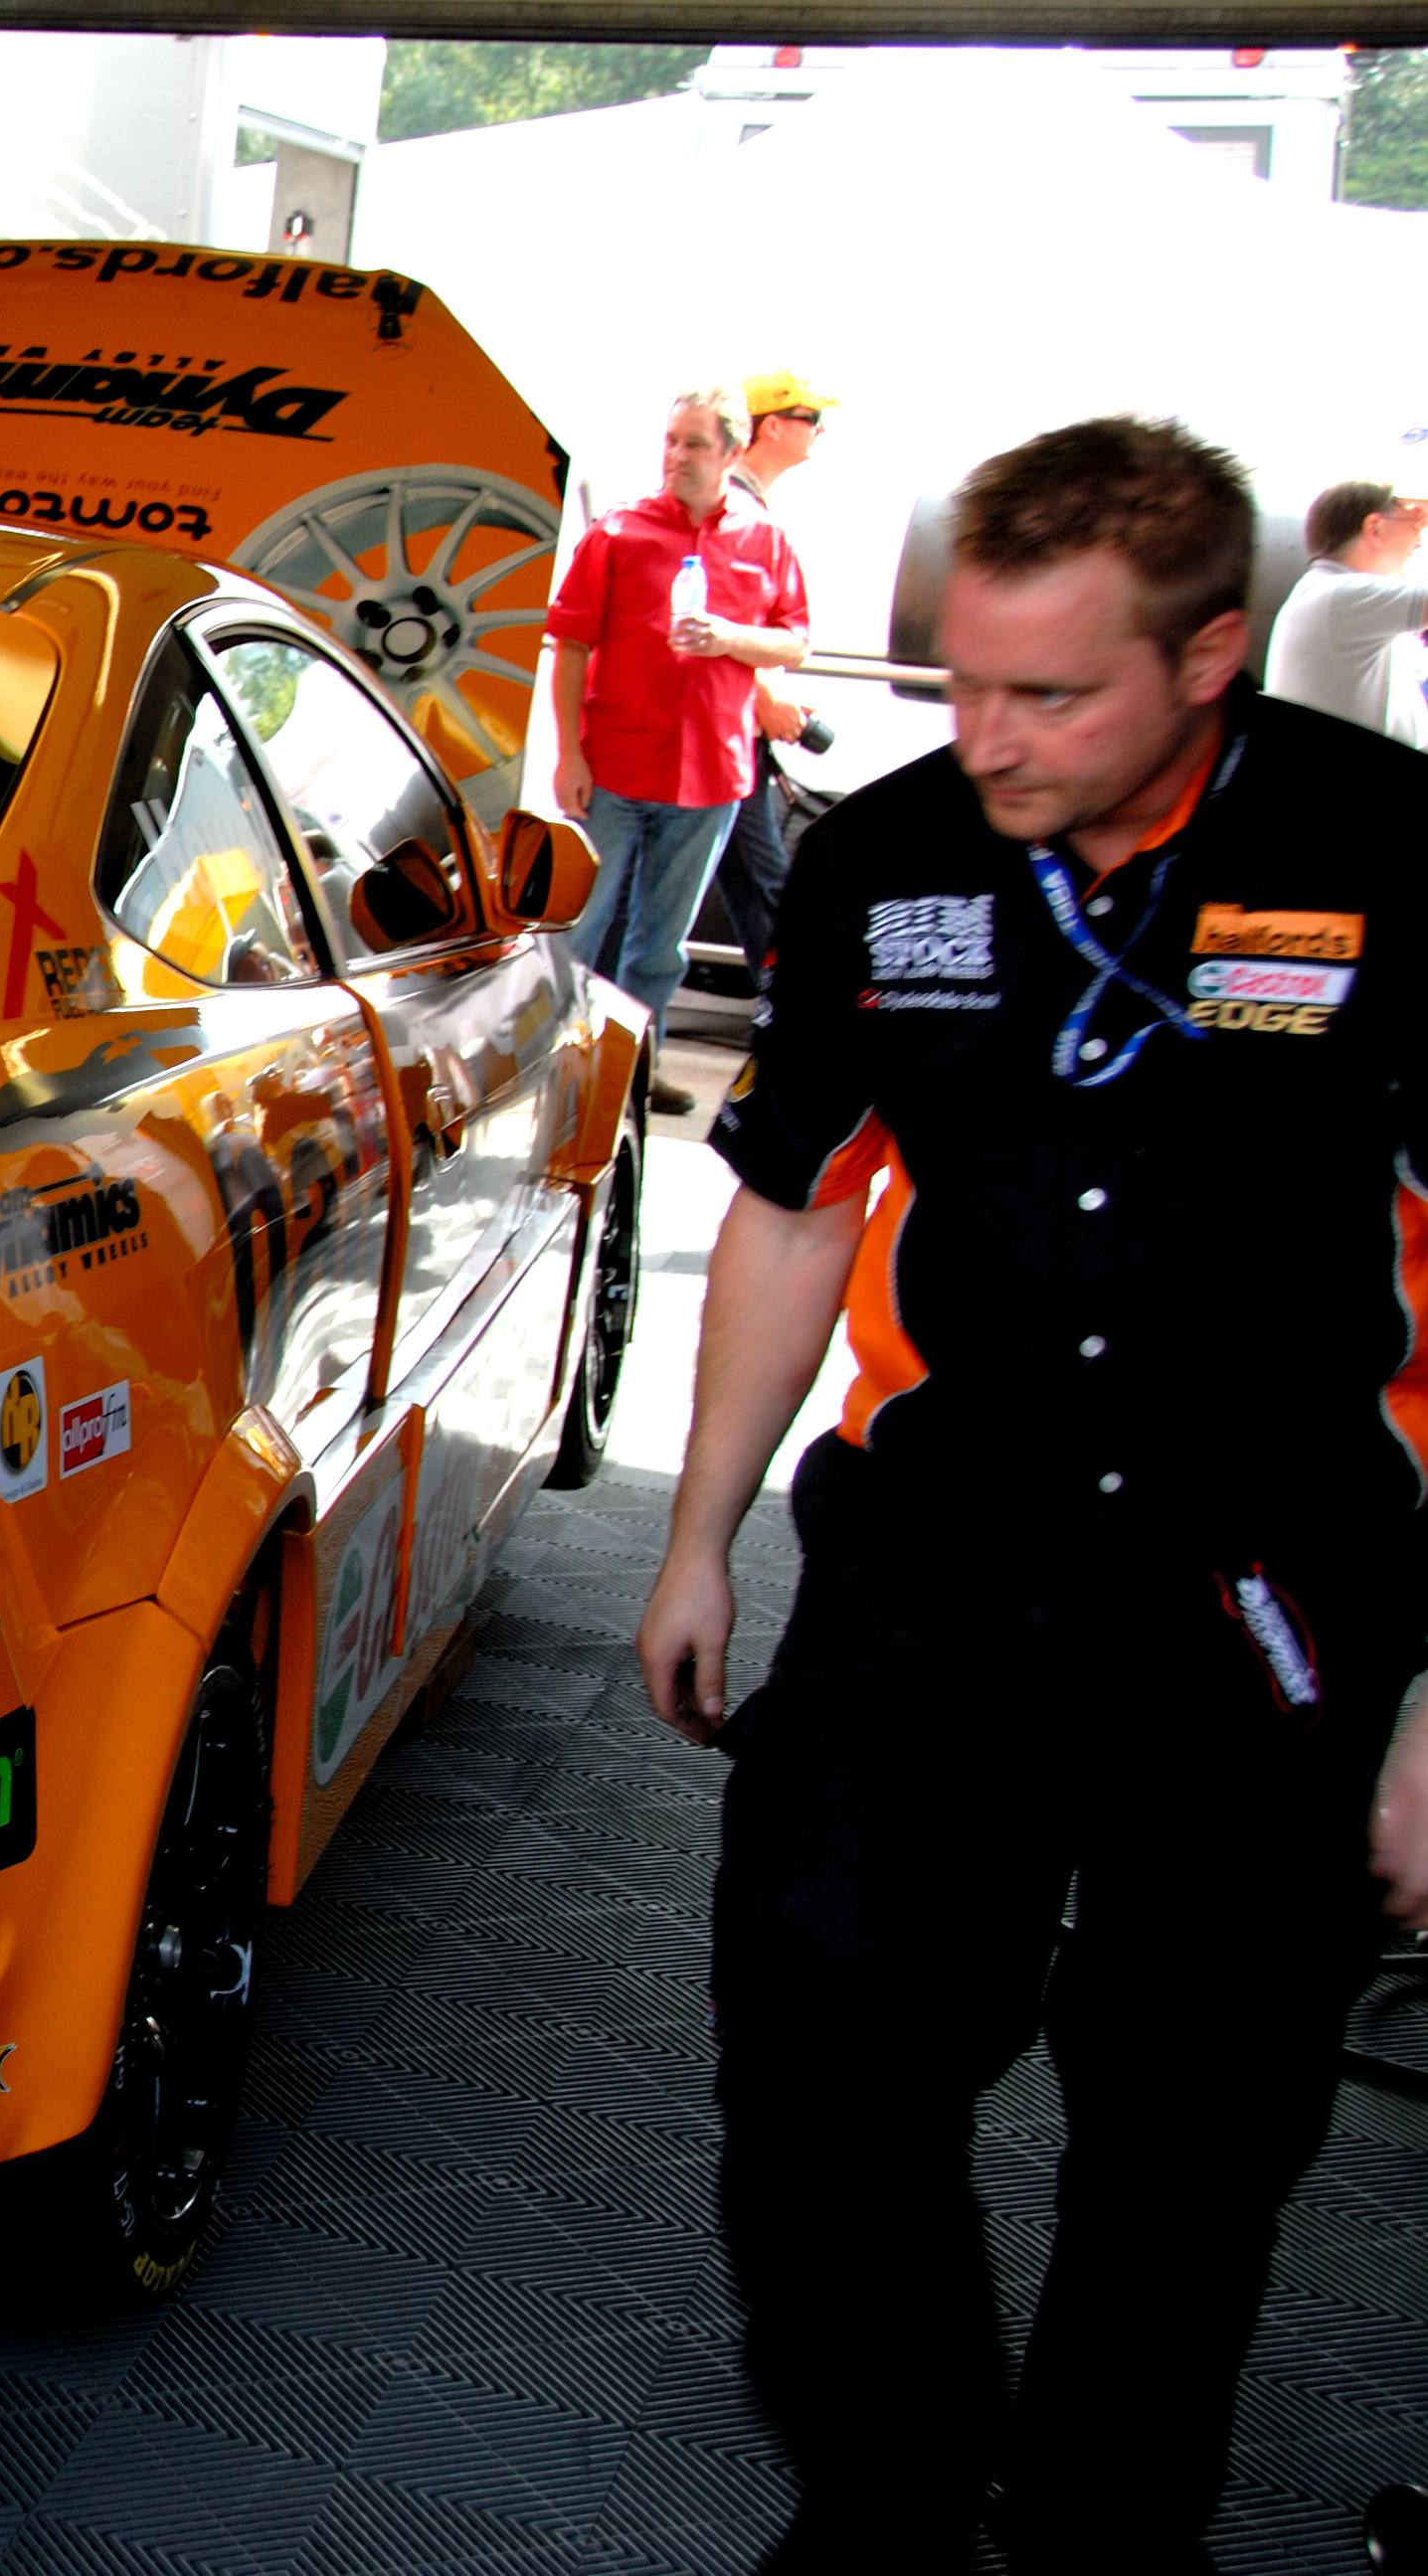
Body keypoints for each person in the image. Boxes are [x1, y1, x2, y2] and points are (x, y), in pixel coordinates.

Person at [638, 414, 1428, 2573]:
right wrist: (696, 1534)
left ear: (1204, 660)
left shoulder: (1384, 850)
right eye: (962, 681)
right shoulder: (885, 857)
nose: (982, 737)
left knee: (1195, 2114)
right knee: (812, 2024)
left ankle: (1100, 2525)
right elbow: (793, 1201)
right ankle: (885, 2486)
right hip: (934, 1559)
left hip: (1263, 1581)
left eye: (1047, 695)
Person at [546, 386, 812, 1112]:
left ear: (731, 451)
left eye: (693, 443)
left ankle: (633, 1071)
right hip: (613, 770)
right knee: (580, 931)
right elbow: (570, 645)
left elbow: (793, 640)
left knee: (660, 945)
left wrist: (729, 638)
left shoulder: (765, 539)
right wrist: (569, 755)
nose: (676, 456)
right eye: (670, 440)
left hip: (710, 778)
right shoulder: (619, 532)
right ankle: (556, 1070)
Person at [714, 371, 841, 974]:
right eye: (811, 419)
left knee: (747, 886)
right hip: (728, 734)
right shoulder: (738, 512)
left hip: (727, 730)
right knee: (766, 889)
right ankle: (795, 1012)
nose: (820, 431)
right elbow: (720, 621)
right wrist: (766, 699)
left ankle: (784, 1009)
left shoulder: (741, 505)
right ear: (770, 427)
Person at [1265, 477, 1428, 748]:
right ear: (1375, 528)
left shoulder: (1327, 595)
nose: (1420, 541)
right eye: (1416, 526)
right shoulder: (1341, 596)